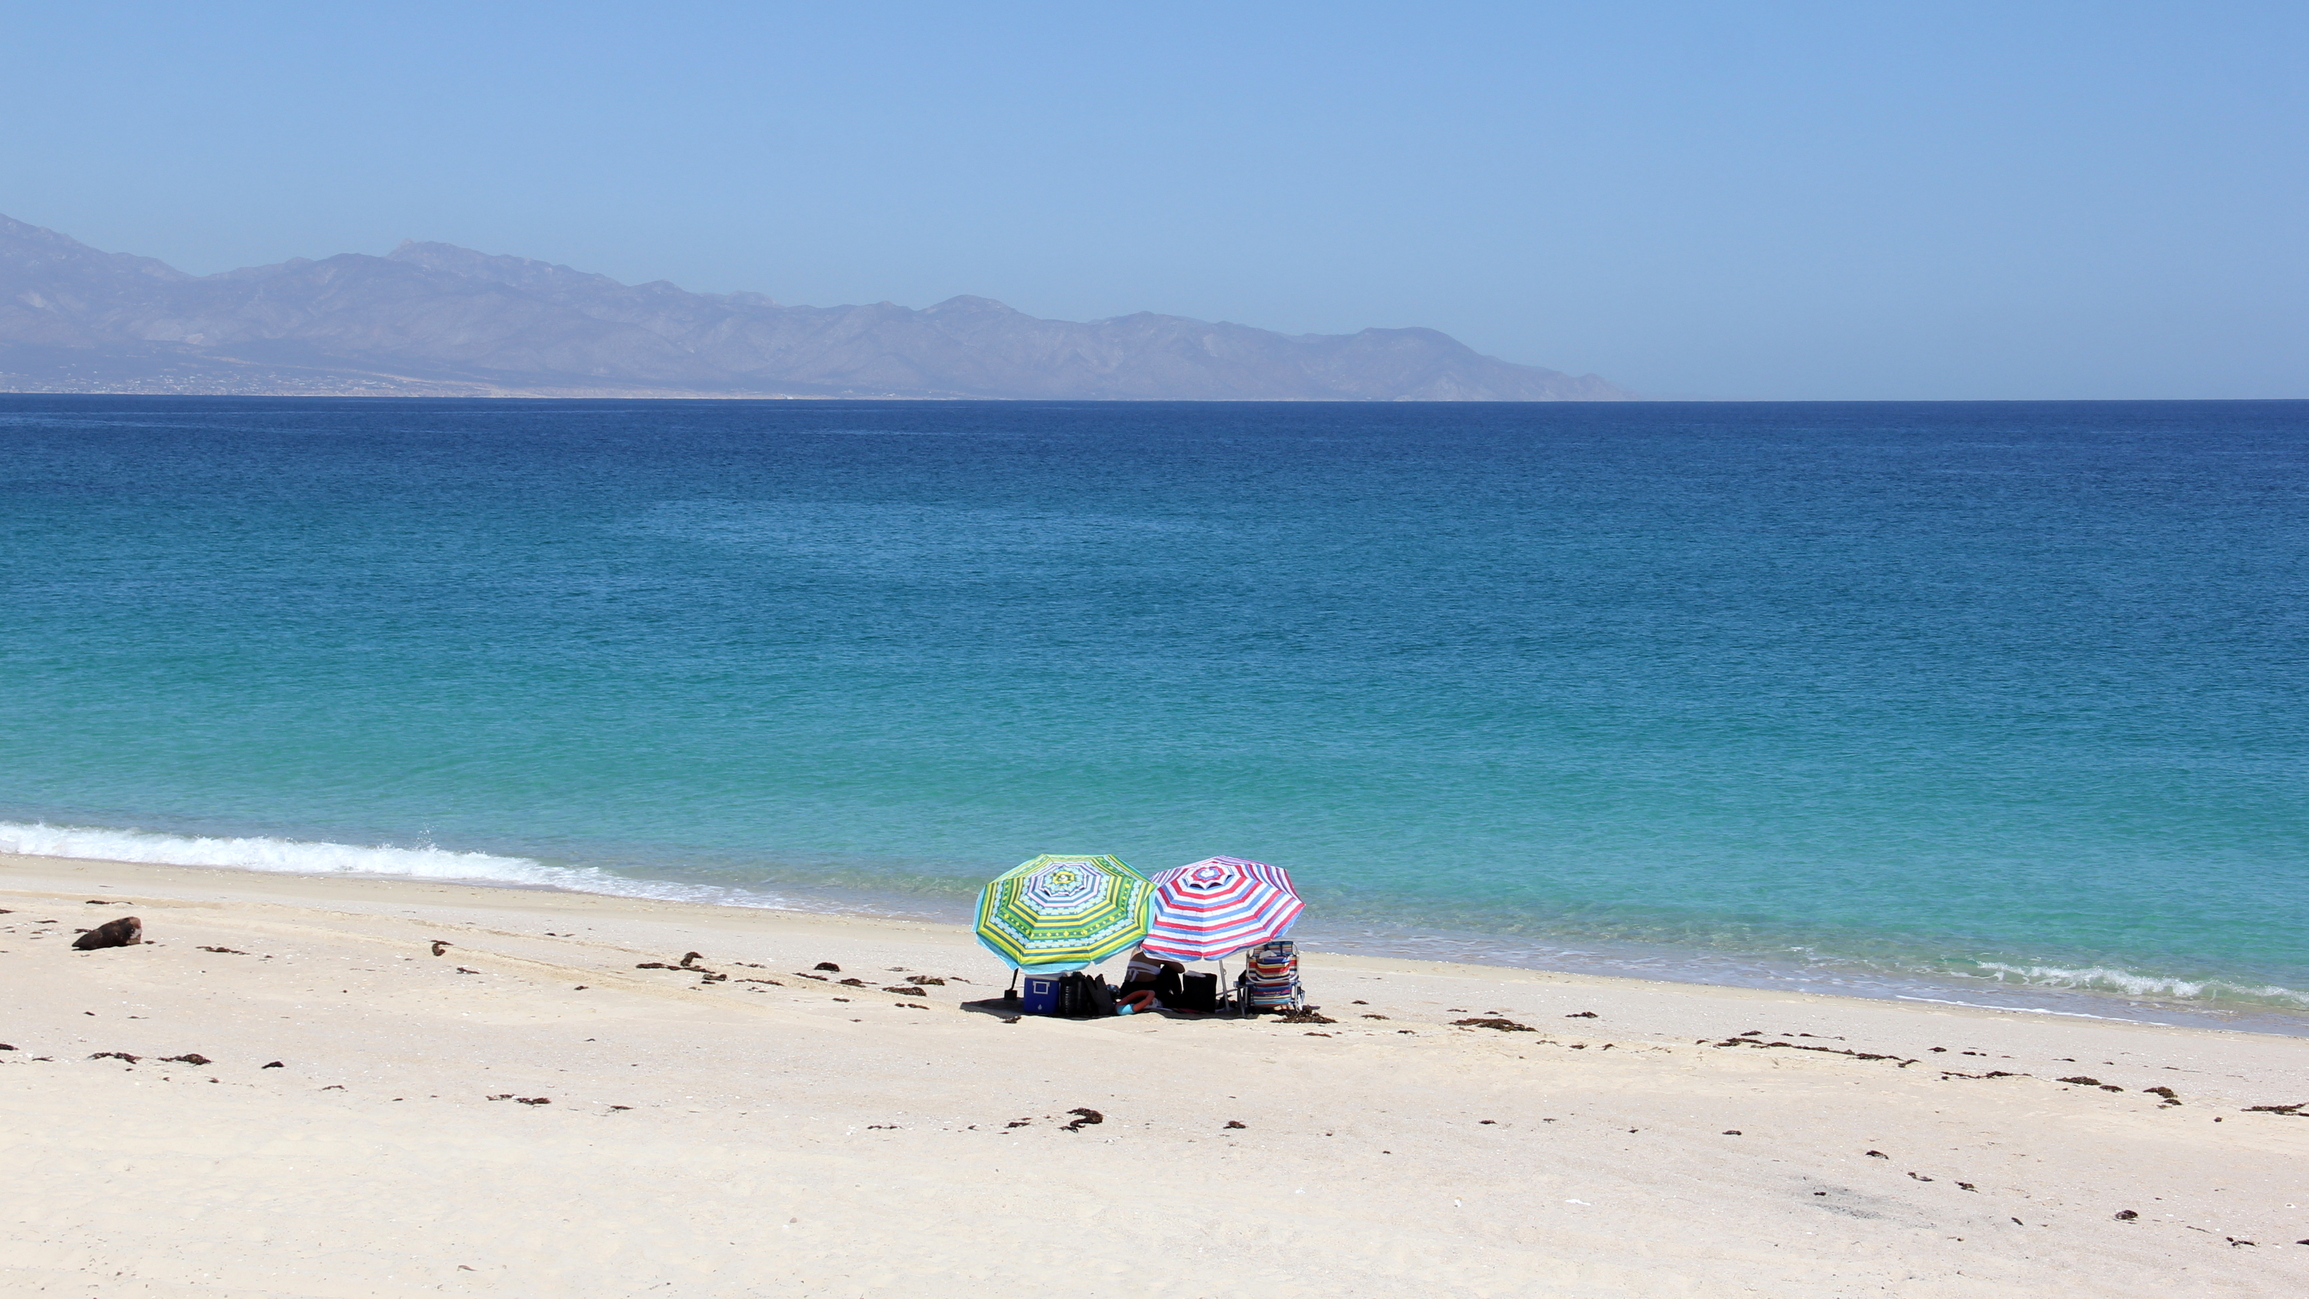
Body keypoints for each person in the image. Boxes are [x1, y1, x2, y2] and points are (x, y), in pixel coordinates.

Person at [1117, 947, 1185, 1012]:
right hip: (1147, 991)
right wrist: (1167, 959)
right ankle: (1178, 997)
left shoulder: (1136, 950)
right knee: (1169, 970)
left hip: (1126, 991)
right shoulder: (1156, 952)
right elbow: (1181, 969)